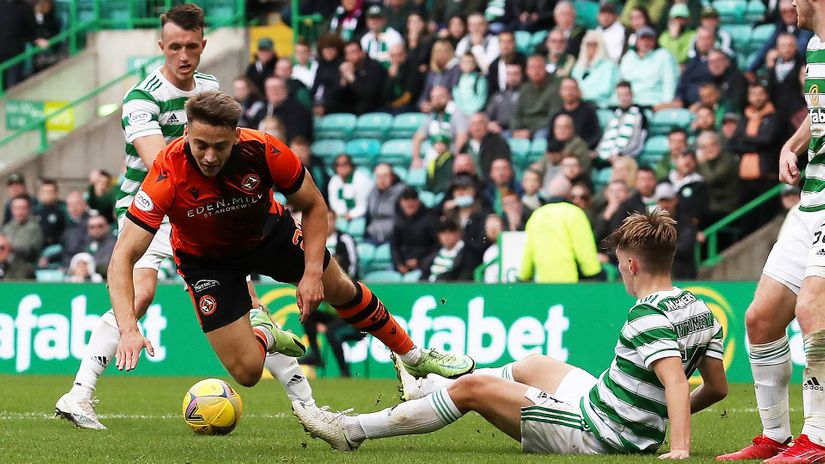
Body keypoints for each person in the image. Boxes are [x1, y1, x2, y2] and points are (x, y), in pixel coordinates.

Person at [112, 92, 476, 420]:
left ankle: (413, 357)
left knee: (339, 288)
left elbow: (314, 205)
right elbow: (122, 258)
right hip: (208, 262)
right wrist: (128, 329)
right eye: (201, 144)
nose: (209, 156)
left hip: (268, 235)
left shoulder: (265, 150)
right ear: (187, 132)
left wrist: (313, 274)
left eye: (220, 146)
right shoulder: (165, 172)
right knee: (248, 373)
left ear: (237, 136)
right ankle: (265, 333)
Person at [54, 5, 317, 432]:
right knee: (139, 297)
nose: (183, 55)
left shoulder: (209, 88)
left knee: (250, 305)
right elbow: (161, 162)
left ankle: (308, 406)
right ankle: (79, 394)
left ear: (203, 46)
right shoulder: (141, 99)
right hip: (151, 209)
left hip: (203, 208)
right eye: (174, 46)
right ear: (161, 46)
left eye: (191, 47)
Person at [299, 210, 728, 459]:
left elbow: (674, 380)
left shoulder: (646, 315)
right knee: (533, 364)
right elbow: (718, 387)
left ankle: (350, 429)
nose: (620, 273)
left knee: (474, 389)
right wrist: (659, 415)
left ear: (632, 265)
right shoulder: (698, 307)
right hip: (608, 404)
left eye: (619, 264)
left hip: (600, 434)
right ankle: (431, 386)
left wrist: (680, 447)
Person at [717, 2, 825, 460]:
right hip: (811, 200)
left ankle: (818, 438)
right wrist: (792, 144)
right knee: (760, 319)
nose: (789, 5)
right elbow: (818, 115)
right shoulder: (816, 46)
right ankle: (776, 435)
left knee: (813, 310)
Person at [519, 176, 601, 283]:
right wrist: (594, 273)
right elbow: (584, 248)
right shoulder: (574, 213)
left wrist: (523, 275)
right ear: (569, 193)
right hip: (571, 282)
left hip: (543, 283)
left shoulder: (536, 215)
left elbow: (528, 251)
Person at [619, 26, 680, 110]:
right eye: (642, 39)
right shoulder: (628, 57)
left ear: (654, 41)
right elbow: (621, 82)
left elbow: (669, 81)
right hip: (629, 102)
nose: (645, 42)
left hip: (652, 103)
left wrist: (666, 103)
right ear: (637, 41)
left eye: (649, 39)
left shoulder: (663, 55)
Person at [412, 85, 469, 168]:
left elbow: (462, 137)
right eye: (434, 98)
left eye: (441, 96)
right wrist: (416, 158)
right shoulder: (433, 116)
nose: (437, 100)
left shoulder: (457, 113)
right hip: (434, 156)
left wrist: (453, 155)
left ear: (449, 97)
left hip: (452, 155)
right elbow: (418, 137)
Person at [652, 184, 697, 279]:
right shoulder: (650, 223)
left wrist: (657, 250)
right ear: (657, 202)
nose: (665, 205)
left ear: (675, 200)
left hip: (683, 275)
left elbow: (685, 247)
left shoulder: (686, 221)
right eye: (662, 201)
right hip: (657, 276)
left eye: (668, 200)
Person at [596, 81, 648, 163]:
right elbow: (605, 136)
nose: (623, 98)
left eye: (626, 94)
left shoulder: (640, 115)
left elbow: (637, 142)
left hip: (625, 157)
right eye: (620, 95)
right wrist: (598, 152)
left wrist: (621, 154)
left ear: (632, 94)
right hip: (606, 155)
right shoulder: (614, 115)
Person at [511, 55, 561, 140]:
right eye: (532, 68)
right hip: (523, 129)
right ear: (527, 71)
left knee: (541, 136)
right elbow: (516, 114)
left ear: (545, 69)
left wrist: (530, 131)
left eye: (539, 67)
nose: (536, 71)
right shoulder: (524, 88)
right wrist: (515, 130)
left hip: (542, 128)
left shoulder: (554, 88)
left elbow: (553, 116)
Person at [330, 41, 387, 115]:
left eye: (353, 52)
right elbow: (336, 98)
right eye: (347, 53)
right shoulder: (347, 68)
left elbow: (368, 94)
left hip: (375, 109)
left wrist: (352, 78)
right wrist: (343, 80)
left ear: (362, 53)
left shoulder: (374, 67)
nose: (350, 56)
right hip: (352, 112)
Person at [391, 187, 438, 276]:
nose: (410, 203)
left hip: (425, 262)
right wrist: (399, 264)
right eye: (406, 200)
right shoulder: (398, 220)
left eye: (413, 199)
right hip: (403, 263)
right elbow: (394, 246)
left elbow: (437, 246)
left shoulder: (430, 219)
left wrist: (419, 260)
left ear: (418, 201)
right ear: (401, 202)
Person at [695, 130, 739, 224]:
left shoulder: (728, 160)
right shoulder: (703, 163)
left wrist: (702, 163)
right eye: (704, 147)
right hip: (710, 206)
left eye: (713, 144)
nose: (709, 149)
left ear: (719, 145)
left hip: (725, 207)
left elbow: (712, 179)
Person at [419, 217, 481, 281]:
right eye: (443, 232)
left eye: (451, 231)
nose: (446, 236)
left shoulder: (469, 255)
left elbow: (465, 279)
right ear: (438, 235)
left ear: (458, 233)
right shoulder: (432, 256)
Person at [252, 76, 313, 142]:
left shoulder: (298, 110)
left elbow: (299, 136)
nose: (275, 91)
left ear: (286, 90)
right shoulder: (262, 111)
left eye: (278, 88)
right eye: (271, 88)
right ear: (266, 92)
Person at [547, 77, 602, 150]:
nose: (569, 92)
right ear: (560, 92)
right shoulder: (556, 113)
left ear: (579, 91)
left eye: (572, 88)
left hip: (582, 151)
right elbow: (551, 137)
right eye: (566, 88)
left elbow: (595, 135)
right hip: (559, 152)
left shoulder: (589, 111)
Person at [571, 30, 619, 107]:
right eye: (588, 44)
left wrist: (583, 95)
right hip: (578, 105)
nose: (591, 47)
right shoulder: (578, 66)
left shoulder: (609, 66)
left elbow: (606, 91)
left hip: (601, 105)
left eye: (594, 44)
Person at [459, 112, 511, 180]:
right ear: (469, 127)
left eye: (480, 123)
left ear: (486, 125)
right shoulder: (465, 147)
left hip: (492, 184)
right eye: (473, 124)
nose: (477, 127)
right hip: (471, 185)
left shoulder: (498, 143)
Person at [0, 0, 36, 90]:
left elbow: (32, 31)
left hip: (15, 55)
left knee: (12, 86)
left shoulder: (25, 8)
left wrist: (37, 39)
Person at [365, 164, 405, 244]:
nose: (382, 180)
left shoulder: (402, 192)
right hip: (373, 237)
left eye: (385, 176)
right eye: (379, 176)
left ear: (392, 177)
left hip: (394, 238)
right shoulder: (372, 193)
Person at [328, 154, 373, 222]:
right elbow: (333, 202)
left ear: (351, 165)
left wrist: (351, 215)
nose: (342, 167)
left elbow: (364, 205)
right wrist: (340, 214)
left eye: (345, 164)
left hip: (361, 217)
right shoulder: (334, 180)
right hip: (340, 216)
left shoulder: (361, 179)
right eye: (338, 165)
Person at [2, 195, 43, 269]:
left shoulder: (34, 228)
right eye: (16, 208)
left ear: (29, 209)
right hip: (4, 264)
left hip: (24, 266)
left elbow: (31, 251)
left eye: (23, 208)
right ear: (12, 209)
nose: (19, 211)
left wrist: (9, 247)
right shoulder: (7, 227)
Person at [485, 63, 523, 135]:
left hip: (520, 131)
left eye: (516, 74)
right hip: (499, 131)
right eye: (509, 74)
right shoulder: (497, 96)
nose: (512, 77)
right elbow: (487, 117)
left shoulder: (526, 94)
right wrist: (490, 124)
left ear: (521, 75)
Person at [487, 30, 526, 94]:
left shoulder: (524, 62)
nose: (505, 45)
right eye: (502, 41)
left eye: (509, 41)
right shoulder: (493, 66)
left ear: (514, 43)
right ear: (499, 44)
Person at [81, 213, 116, 278]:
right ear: (88, 230)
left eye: (100, 226)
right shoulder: (86, 243)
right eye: (92, 227)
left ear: (107, 227)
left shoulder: (114, 243)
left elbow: (106, 266)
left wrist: (87, 268)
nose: (96, 230)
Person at [34, 179, 66, 247]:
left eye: (50, 191)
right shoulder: (35, 210)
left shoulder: (63, 209)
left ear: (56, 193)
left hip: (57, 246)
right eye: (44, 191)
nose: (47, 194)